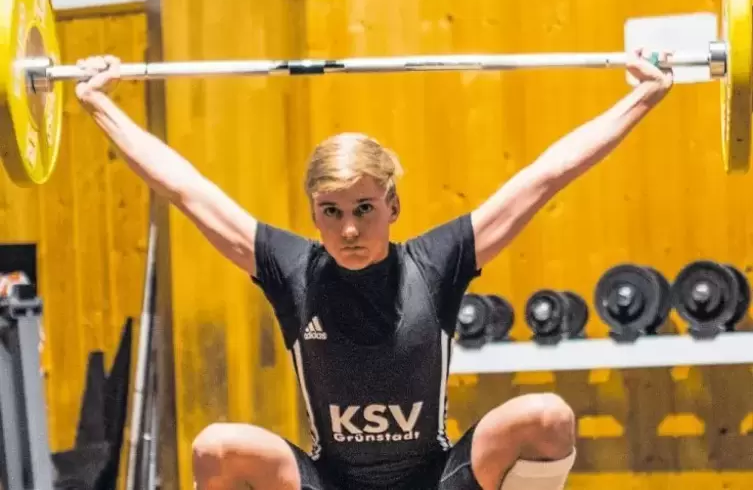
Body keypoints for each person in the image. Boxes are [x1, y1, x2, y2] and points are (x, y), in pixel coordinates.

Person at [74, 48, 674, 490]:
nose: (350, 229)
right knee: (218, 448)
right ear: (314, 214)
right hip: (329, 481)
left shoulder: (435, 264)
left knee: (546, 416)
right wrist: (98, 102)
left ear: (393, 206)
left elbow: (545, 176)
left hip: (436, 479)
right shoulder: (292, 269)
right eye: (331, 213)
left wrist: (640, 98)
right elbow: (187, 190)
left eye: (364, 209)